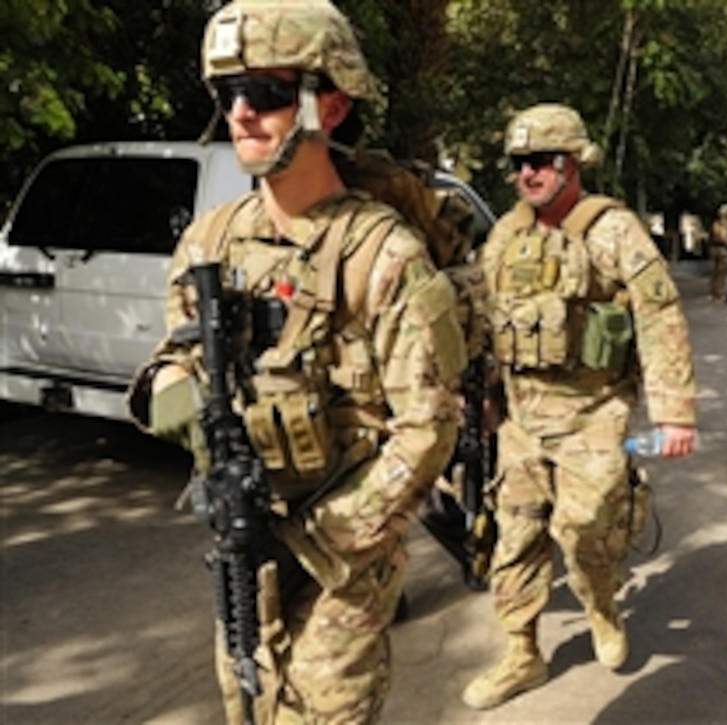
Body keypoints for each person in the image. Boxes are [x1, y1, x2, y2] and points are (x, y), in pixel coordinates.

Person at [126, 1, 465, 722]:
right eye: (228, 95)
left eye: (268, 93)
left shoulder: (384, 254)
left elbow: (428, 428)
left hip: (342, 551)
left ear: (331, 105)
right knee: (246, 699)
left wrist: (330, 532)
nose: (242, 113)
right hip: (244, 537)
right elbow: (171, 357)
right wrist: (178, 401)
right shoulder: (211, 241)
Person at [462, 103, 699, 710]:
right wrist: (484, 397)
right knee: (514, 536)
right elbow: (487, 321)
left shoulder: (613, 230)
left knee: (585, 534)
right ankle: (521, 652)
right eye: (519, 164)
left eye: (542, 161)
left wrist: (673, 412)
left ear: (574, 164)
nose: (528, 174)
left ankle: (602, 606)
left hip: (595, 414)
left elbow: (659, 314)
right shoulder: (506, 234)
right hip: (521, 420)